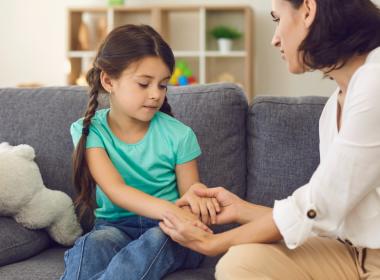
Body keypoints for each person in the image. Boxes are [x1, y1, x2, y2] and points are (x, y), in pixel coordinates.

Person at [159, 0, 380, 279]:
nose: (275, 39)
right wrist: (241, 209)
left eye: (277, 19)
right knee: (242, 262)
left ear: (308, 10)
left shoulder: (375, 80)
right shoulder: (331, 110)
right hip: (350, 254)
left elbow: (320, 203)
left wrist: (211, 243)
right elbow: (325, 219)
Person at [60, 24, 220, 280]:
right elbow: (116, 190)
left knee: (159, 238)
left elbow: (190, 193)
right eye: (144, 84)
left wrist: (197, 200)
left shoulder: (180, 134)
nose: (156, 95)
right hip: (115, 227)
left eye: (163, 85)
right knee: (93, 244)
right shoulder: (89, 131)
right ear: (108, 81)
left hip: (168, 229)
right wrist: (172, 210)